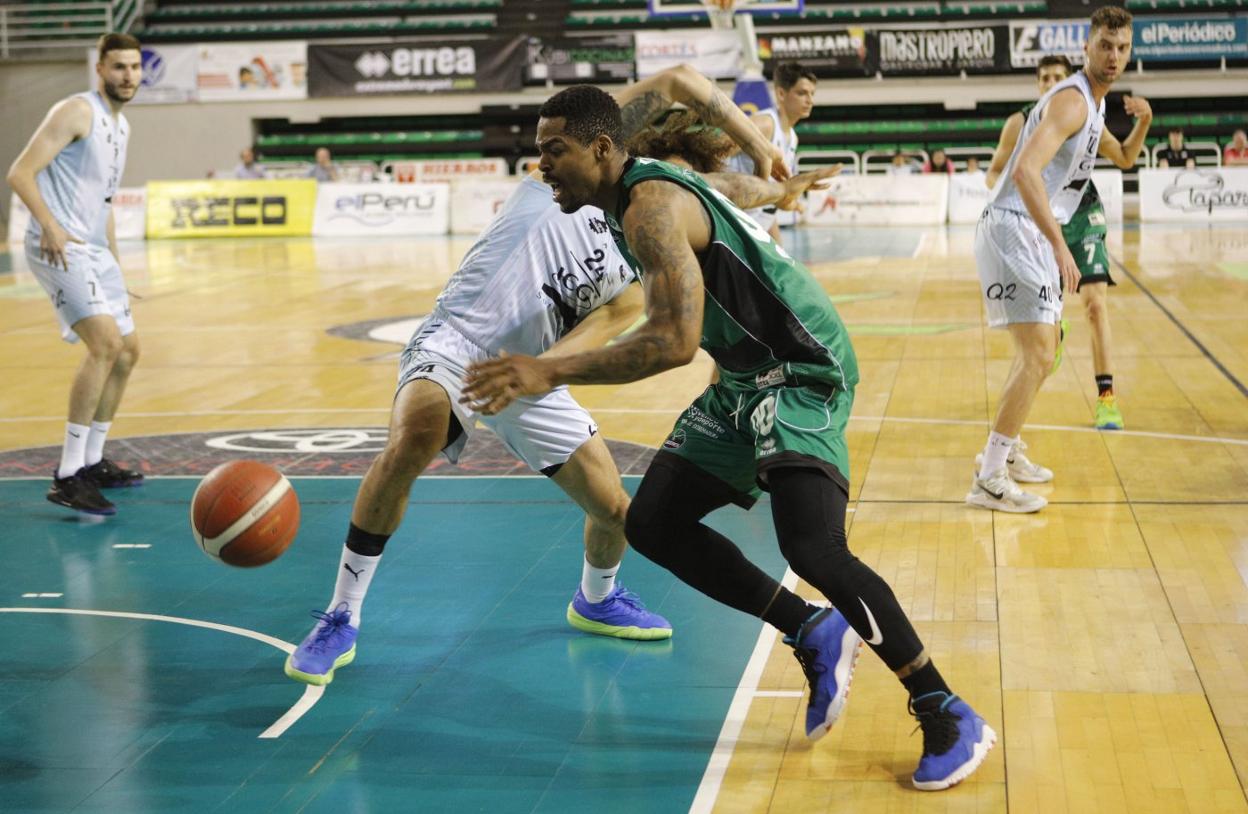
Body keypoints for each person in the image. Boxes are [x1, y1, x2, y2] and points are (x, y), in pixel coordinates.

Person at [460, 85, 996, 792]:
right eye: (538, 152)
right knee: (652, 523)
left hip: (800, 365)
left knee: (813, 547)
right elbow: (734, 189)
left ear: (601, 148)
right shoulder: (643, 192)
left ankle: (945, 708)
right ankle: (811, 630)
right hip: (744, 377)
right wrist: (782, 189)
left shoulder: (649, 208)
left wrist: (547, 370)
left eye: (553, 151)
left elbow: (674, 343)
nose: (541, 166)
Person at [281, 63, 830, 687]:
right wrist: (762, 145)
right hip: (457, 341)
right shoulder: (567, 172)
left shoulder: (650, 234)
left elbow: (718, 207)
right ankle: (341, 614)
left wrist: (781, 191)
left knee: (617, 512)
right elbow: (679, 81)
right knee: (418, 433)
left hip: (534, 369)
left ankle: (597, 597)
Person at [971, 7, 1148, 513]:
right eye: (1105, 46)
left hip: (1027, 227)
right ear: (1087, 48)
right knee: (1039, 355)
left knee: (1042, 353)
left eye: (1122, 48)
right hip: (1016, 226)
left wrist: (1146, 120)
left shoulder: (1094, 105)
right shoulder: (1072, 101)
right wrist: (1059, 243)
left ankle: (1002, 453)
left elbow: (1123, 158)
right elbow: (1024, 172)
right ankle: (989, 477)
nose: (1113, 56)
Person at [5, 33, 145, 516]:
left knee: (128, 351)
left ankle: (92, 460)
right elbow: (19, 172)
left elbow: (104, 202)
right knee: (104, 344)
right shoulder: (76, 111)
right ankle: (68, 475)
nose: (127, 75)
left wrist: (116, 267)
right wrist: (49, 225)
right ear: (100, 69)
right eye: (119, 67)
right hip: (59, 245)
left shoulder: (121, 126)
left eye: (134, 67)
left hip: (95, 249)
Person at [726, 62, 816, 246]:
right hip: (735, 222)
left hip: (763, 218)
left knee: (782, 263)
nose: (810, 100)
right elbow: (716, 150)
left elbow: (771, 194)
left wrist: (795, 203)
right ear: (781, 94)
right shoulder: (764, 124)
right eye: (802, 93)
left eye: (812, 94)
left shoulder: (793, 138)